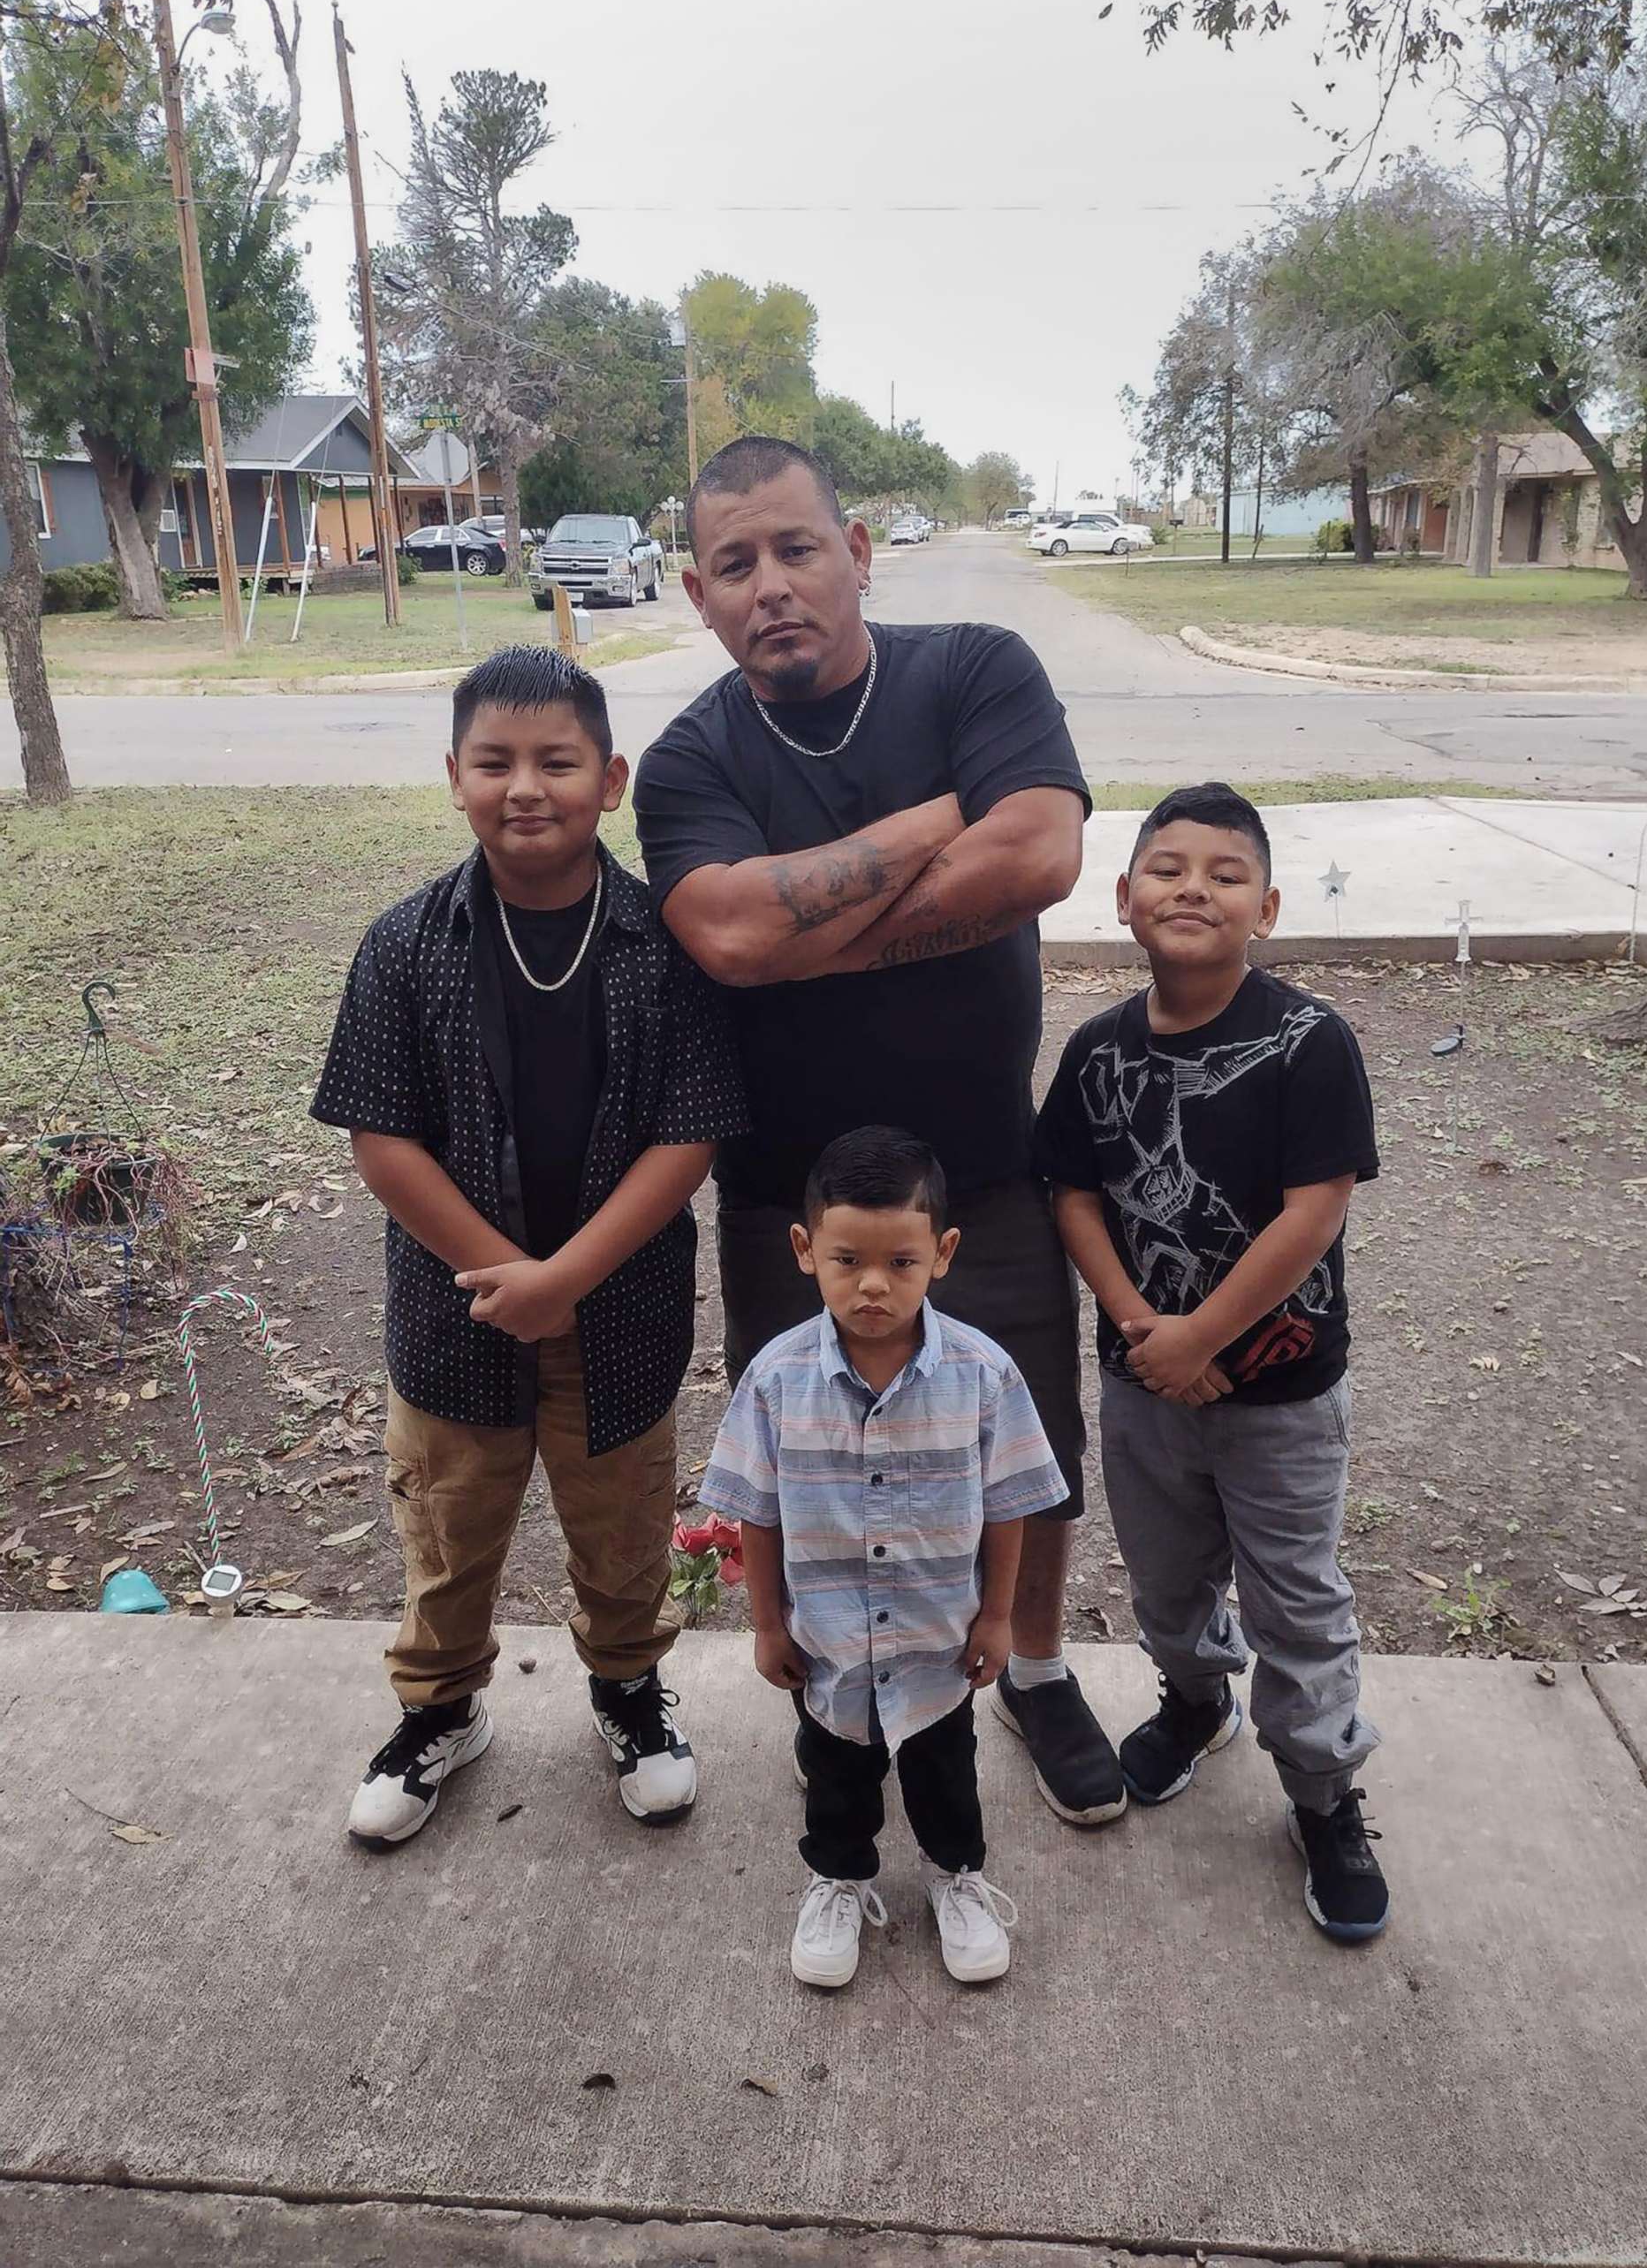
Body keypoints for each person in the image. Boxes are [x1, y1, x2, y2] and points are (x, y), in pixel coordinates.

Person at [634, 434, 1125, 1830]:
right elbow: (723, 933)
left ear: (858, 554)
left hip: (986, 1172)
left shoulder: (976, 668)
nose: (772, 585)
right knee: (813, 1461)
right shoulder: (688, 762)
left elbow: (1036, 851)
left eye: (798, 548)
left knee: (1021, 1446)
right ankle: (843, 1684)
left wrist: (799, 932)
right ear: (698, 593)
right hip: (788, 1199)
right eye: (736, 564)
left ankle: (1030, 1668)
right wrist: (927, 825)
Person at [312, 645, 748, 1847]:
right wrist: (508, 1278)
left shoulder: (667, 946)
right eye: (495, 761)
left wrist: (570, 1278)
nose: (526, 786)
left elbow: (690, 1134)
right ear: (453, 776)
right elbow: (382, 1137)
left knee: (620, 1530)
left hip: (623, 1312)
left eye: (557, 761)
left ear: (610, 780)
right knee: (448, 1529)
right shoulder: (406, 944)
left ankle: (628, 1692)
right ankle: (440, 1711)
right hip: (455, 1319)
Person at [1033, 782, 1390, 1940]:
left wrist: (1205, 1335)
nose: (1195, 887)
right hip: (1146, 1390)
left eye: (1226, 873)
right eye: (1169, 868)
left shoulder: (1308, 1042)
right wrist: (1147, 1326)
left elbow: (1312, 1212)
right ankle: (1194, 1703)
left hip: (1282, 1393)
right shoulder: (1095, 1054)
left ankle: (1326, 1793)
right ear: (1127, 900)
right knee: (1167, 1576)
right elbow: (1073, 1193)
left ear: (1267, 907)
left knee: (1298, 1599)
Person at [702, 1126, 1068, 1988]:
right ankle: (837, 1881)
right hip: (827, 1641)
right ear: (805, 1251)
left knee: (946, 1774)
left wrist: (998, 1613)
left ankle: (957, 1879)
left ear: (942, 1253)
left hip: (937, 1640)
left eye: (901, 1262)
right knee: (836, 1775)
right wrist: (766, 1625)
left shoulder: (984, 1375)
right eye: (847, 1260)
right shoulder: (774, 1380)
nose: (873, 1285)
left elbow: (1010, 1506)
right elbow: (756, 1513)